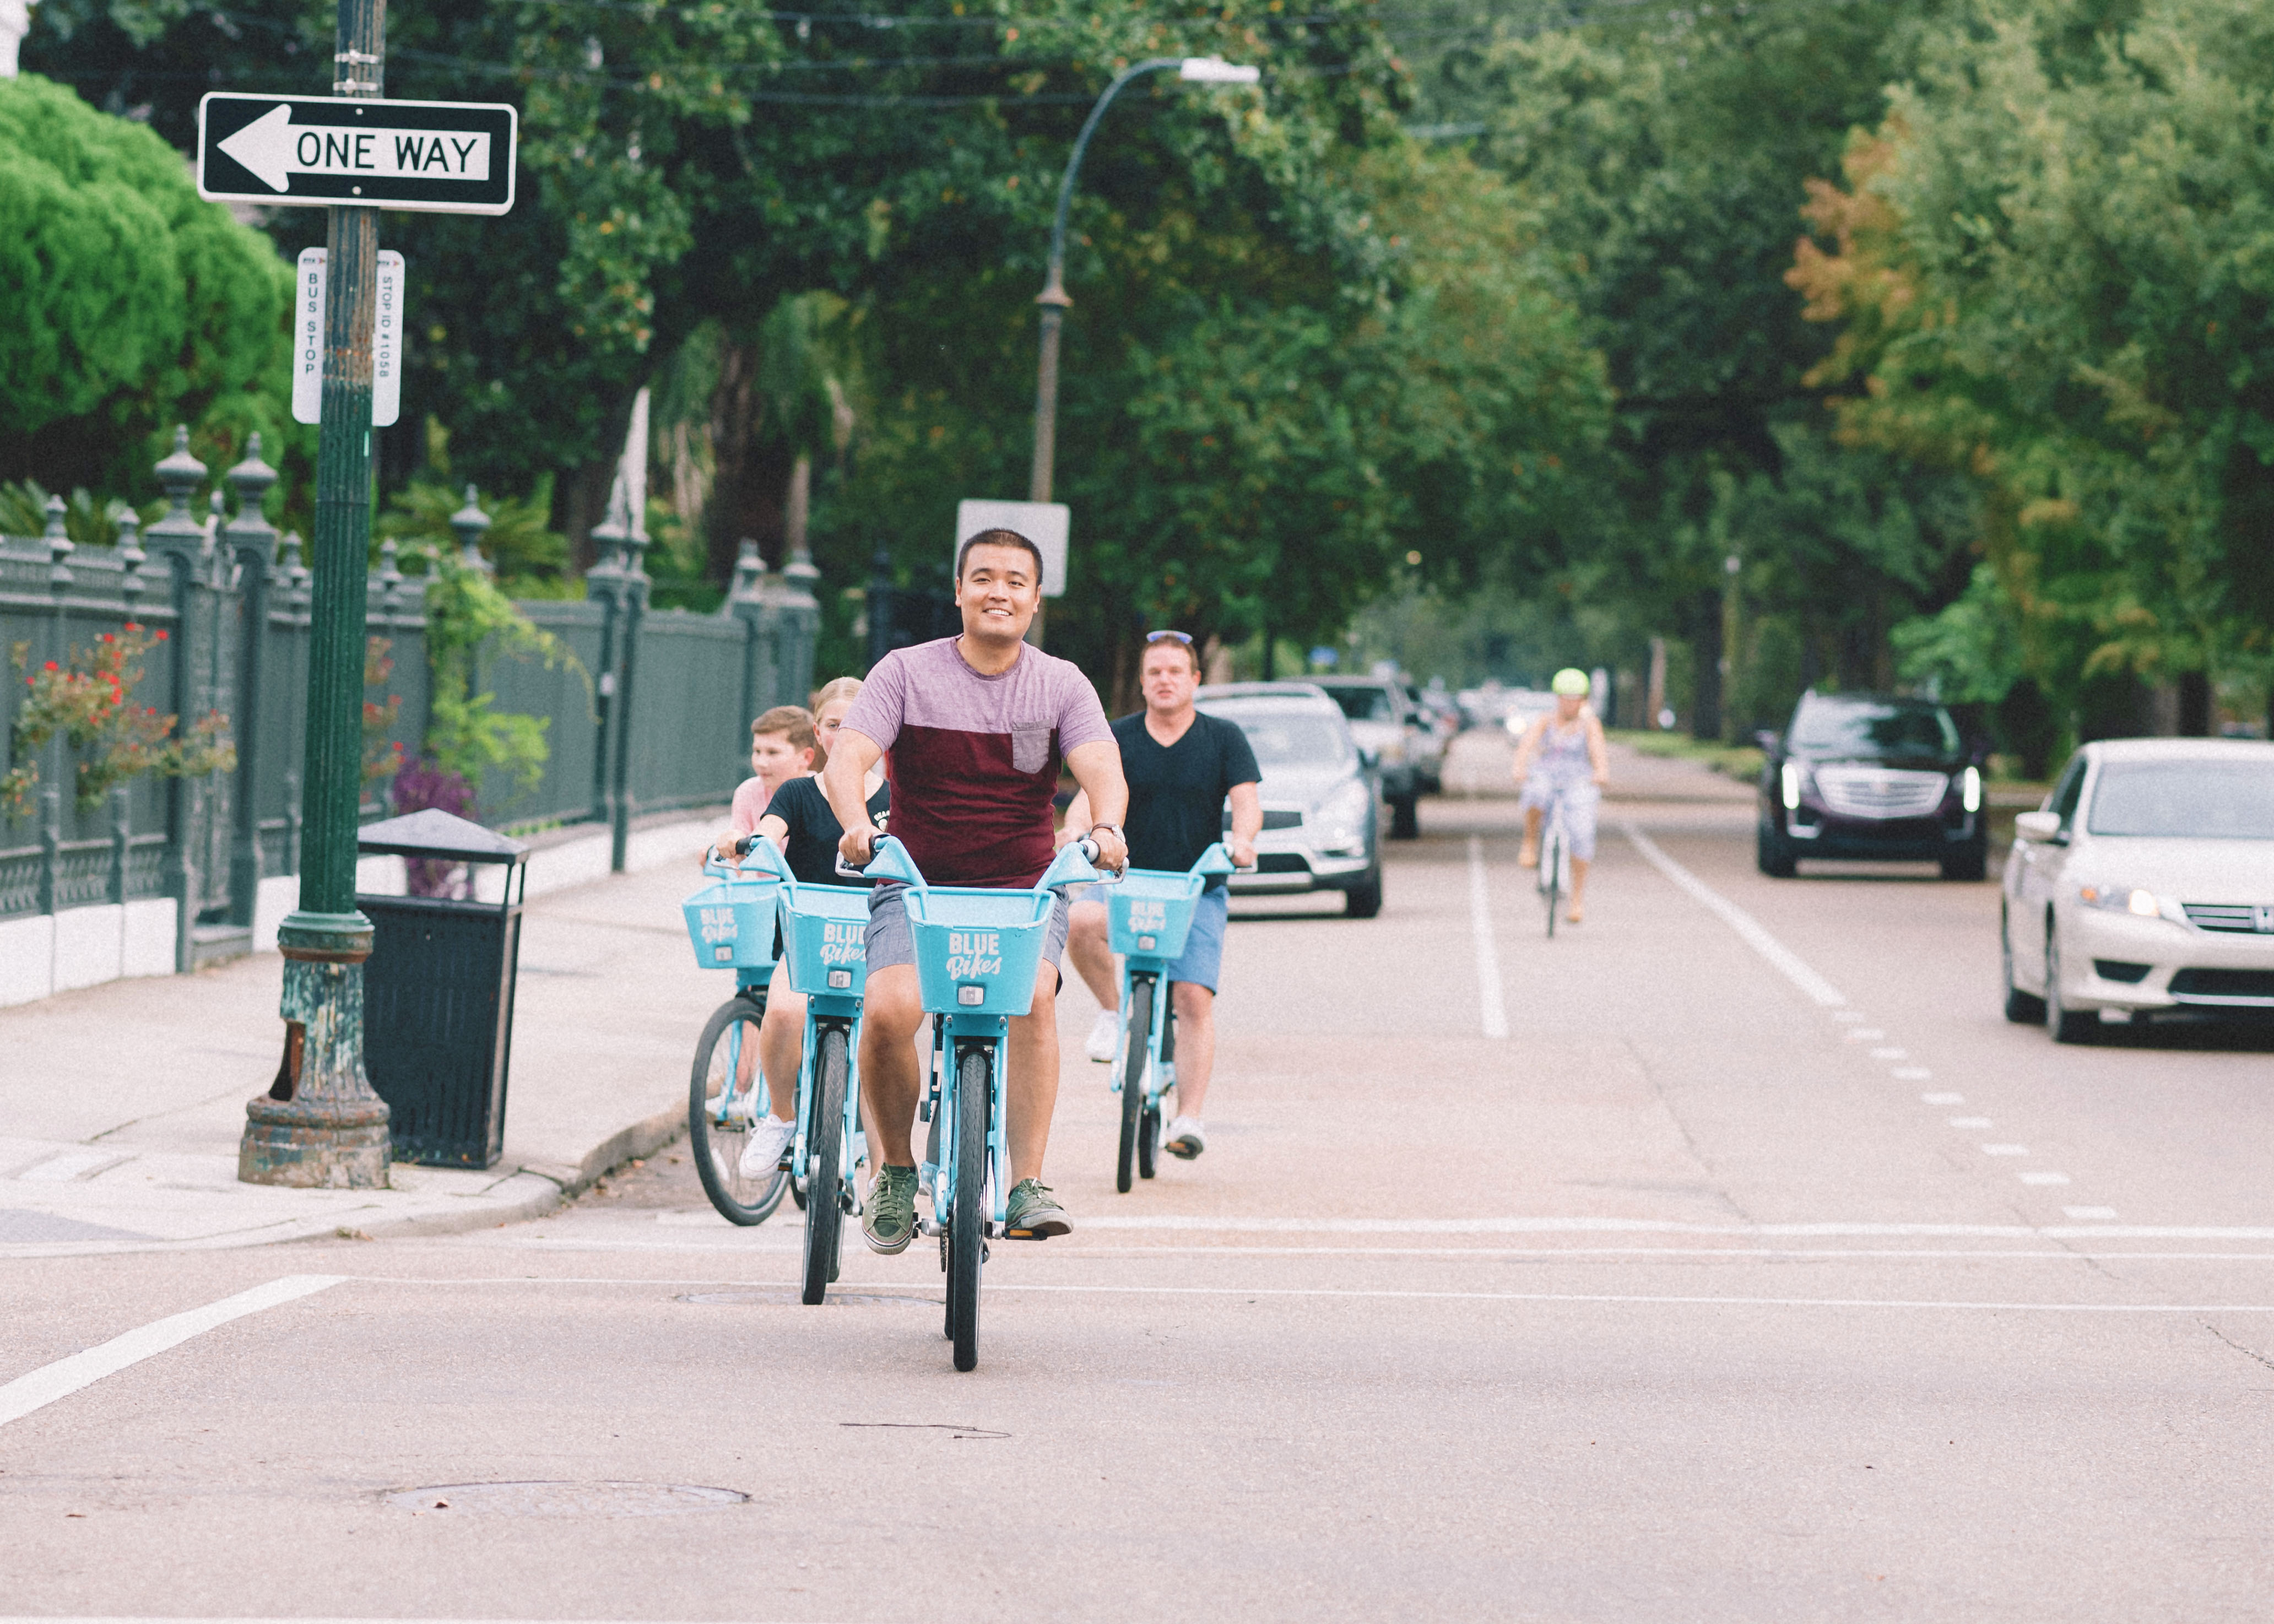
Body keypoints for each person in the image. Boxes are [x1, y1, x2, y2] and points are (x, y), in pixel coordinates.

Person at [822, 529, 1130, 1248]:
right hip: (916, 879)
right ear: (958, 592)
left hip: (1023, 885)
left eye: (1016, 581)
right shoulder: (904, 672)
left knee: (1032, 1002)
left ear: (1036, 600)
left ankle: (1027, 1186)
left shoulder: (1060, 684)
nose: (1000, 592)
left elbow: (1101, 768)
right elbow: (847, 762)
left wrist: (1108, 826)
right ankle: (896, 1171)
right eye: (984, 578)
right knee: (891, 1010)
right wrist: (854, 826)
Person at [1062, 630, 1261, 1161]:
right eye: (1154, 672)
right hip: (1124, 880)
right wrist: (1075, 834)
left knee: (1193, 998)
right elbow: (1087, 800)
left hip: (1196, 886)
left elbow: (1247, 802)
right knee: (1080, 920)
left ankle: (1189, 1116)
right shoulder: (1117, 737)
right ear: (1144, 683)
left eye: (1175, 671)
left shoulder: (1224, 738)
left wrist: (1242, 841)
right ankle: (1114, 1014)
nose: (1164, 680)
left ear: (1195, 679)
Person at [732, 678, 890, 1179]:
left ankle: (892, 1171)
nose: (844, 736)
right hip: (809, 937)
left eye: (856, 725)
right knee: (780, 1013)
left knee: (889, 1035)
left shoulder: (896, 797)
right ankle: (781, 1116)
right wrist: (744, 843)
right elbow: (768, 832)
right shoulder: (799, 792)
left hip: (881, 937)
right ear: (817, 734)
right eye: (833, 726)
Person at [1510, 668, 1610, 923]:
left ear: (1584, 699)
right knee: (1535, 793)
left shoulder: (1590, 724)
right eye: (1566, 697)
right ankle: (1530, 842)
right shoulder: (1546, 720)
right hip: (1547, 774)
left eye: (1576, 698)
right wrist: (1520, 767)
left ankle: (1576, 899)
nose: (1570, 703)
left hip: (1578, 780)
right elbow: (1526, 746)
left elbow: (1598, 753)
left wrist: (1601, 772)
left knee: (1581, 834)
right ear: (1558, 698)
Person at [707, 706, 816, 870]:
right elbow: (737, 863)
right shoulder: (748, 792)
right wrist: (718, 853)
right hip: (768, 890)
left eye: (773, 753)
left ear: (806, 757)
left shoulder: (823, 792)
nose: (761, 762)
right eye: (757, 751)